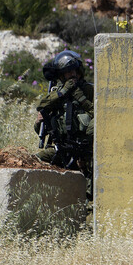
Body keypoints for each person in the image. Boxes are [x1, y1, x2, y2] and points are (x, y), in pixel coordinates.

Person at [34, 50, 94, 197]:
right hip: (60, 147)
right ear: (61, 75)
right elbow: (42, 117)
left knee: (90, 185)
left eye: (75, 70)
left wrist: (81, 99)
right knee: (35, 161)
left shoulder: (87, 90)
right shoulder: (56, 94)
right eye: (68, 72)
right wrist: (38, 122)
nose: (72, 74)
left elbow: (98, 115)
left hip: (84, 149)